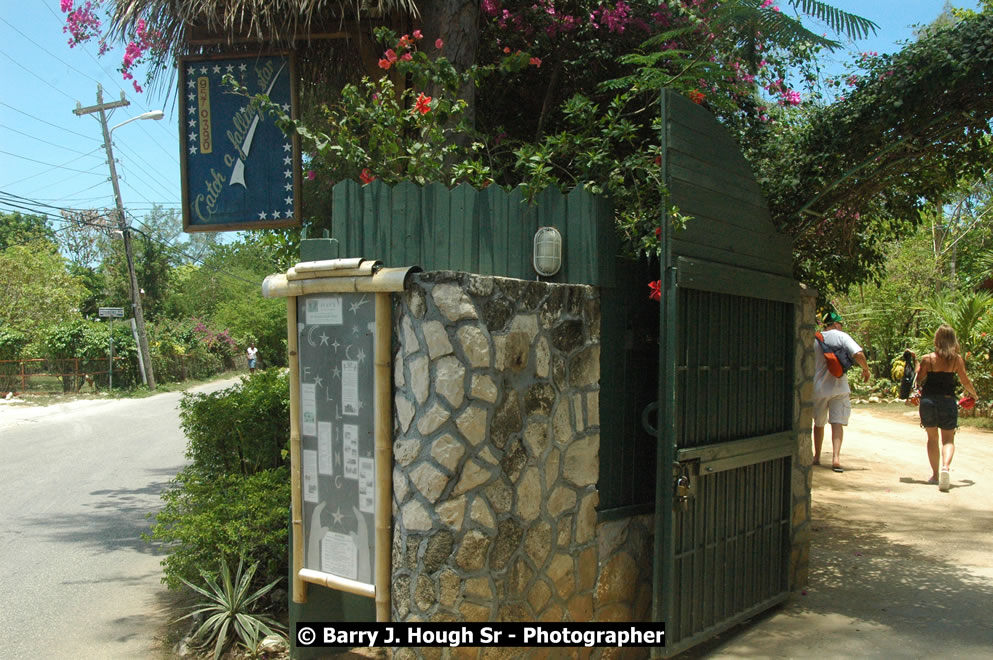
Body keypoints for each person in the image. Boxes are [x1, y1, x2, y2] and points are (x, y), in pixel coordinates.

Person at [913, 324, 978, 492]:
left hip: (928, 402)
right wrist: (974, 395)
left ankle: (935, 475)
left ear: (937, 339)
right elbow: (965, 381)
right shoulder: (956, 360)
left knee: (932, 439)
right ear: (953, 340)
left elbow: (919, 380)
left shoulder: (928, 359)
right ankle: (945, 468)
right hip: (948, 401)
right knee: (948, 440)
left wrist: (916, 364)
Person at [812, 311, 871, 473]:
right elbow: (858, 354)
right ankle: (836, 458)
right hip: (839, 388)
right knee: (837, 423)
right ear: (836, 324)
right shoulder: (842, 336)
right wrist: (865, 369)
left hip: (819, 389)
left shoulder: (815, 339)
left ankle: (817, 456)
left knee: (818, 424)